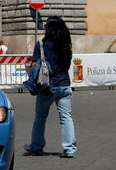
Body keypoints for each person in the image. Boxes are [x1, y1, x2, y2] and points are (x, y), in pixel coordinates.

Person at [24, 16, 77, 158]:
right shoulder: (66, 44)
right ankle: (69, 149)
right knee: (66, 117)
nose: (44, 27)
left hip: (48, 85)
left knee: (41, 117)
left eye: (46, 25)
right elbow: (67, 65)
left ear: (50, 28)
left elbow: (35, 64)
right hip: (64, 83)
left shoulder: (41, 44)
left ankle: (36, 146)